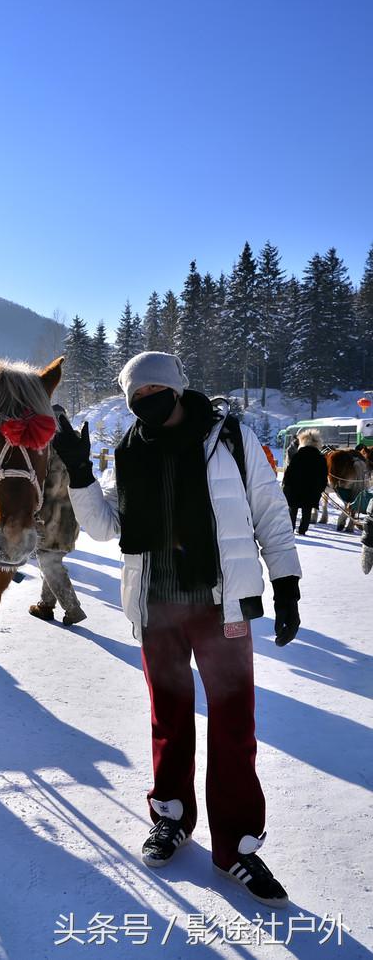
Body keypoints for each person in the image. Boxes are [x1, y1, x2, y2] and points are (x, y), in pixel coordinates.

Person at [53, 351, 302, 907]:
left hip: (220, 608)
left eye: (153, 392)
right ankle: (171, 818)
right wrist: (78, 474)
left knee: (234, 725)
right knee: (169, 720)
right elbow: (104, 527)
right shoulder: (129, 449)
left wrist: (284, 582)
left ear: (175, 388)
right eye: (135, 397)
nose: (145, 403)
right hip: (157, 607)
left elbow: (268, 509)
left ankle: (236, 848)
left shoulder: (228, 438)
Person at [29, 405, 87, 626]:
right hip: (71, 515)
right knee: (51, 559)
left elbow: (45, 486)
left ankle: (73, 609)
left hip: (50, 516)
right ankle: (45, 606)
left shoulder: (48, 448)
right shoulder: (77, 443)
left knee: (49, 561)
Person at [281, 429, 328, 535]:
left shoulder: (297, 456)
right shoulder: (320, 458)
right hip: (311, 491)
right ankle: (303, 529)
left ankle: (290, 528)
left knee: (293, 510)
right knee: (307, 511)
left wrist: (285, 486)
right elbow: (323, 477)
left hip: (295, 490)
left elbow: (289, 473)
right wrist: (319, 489)